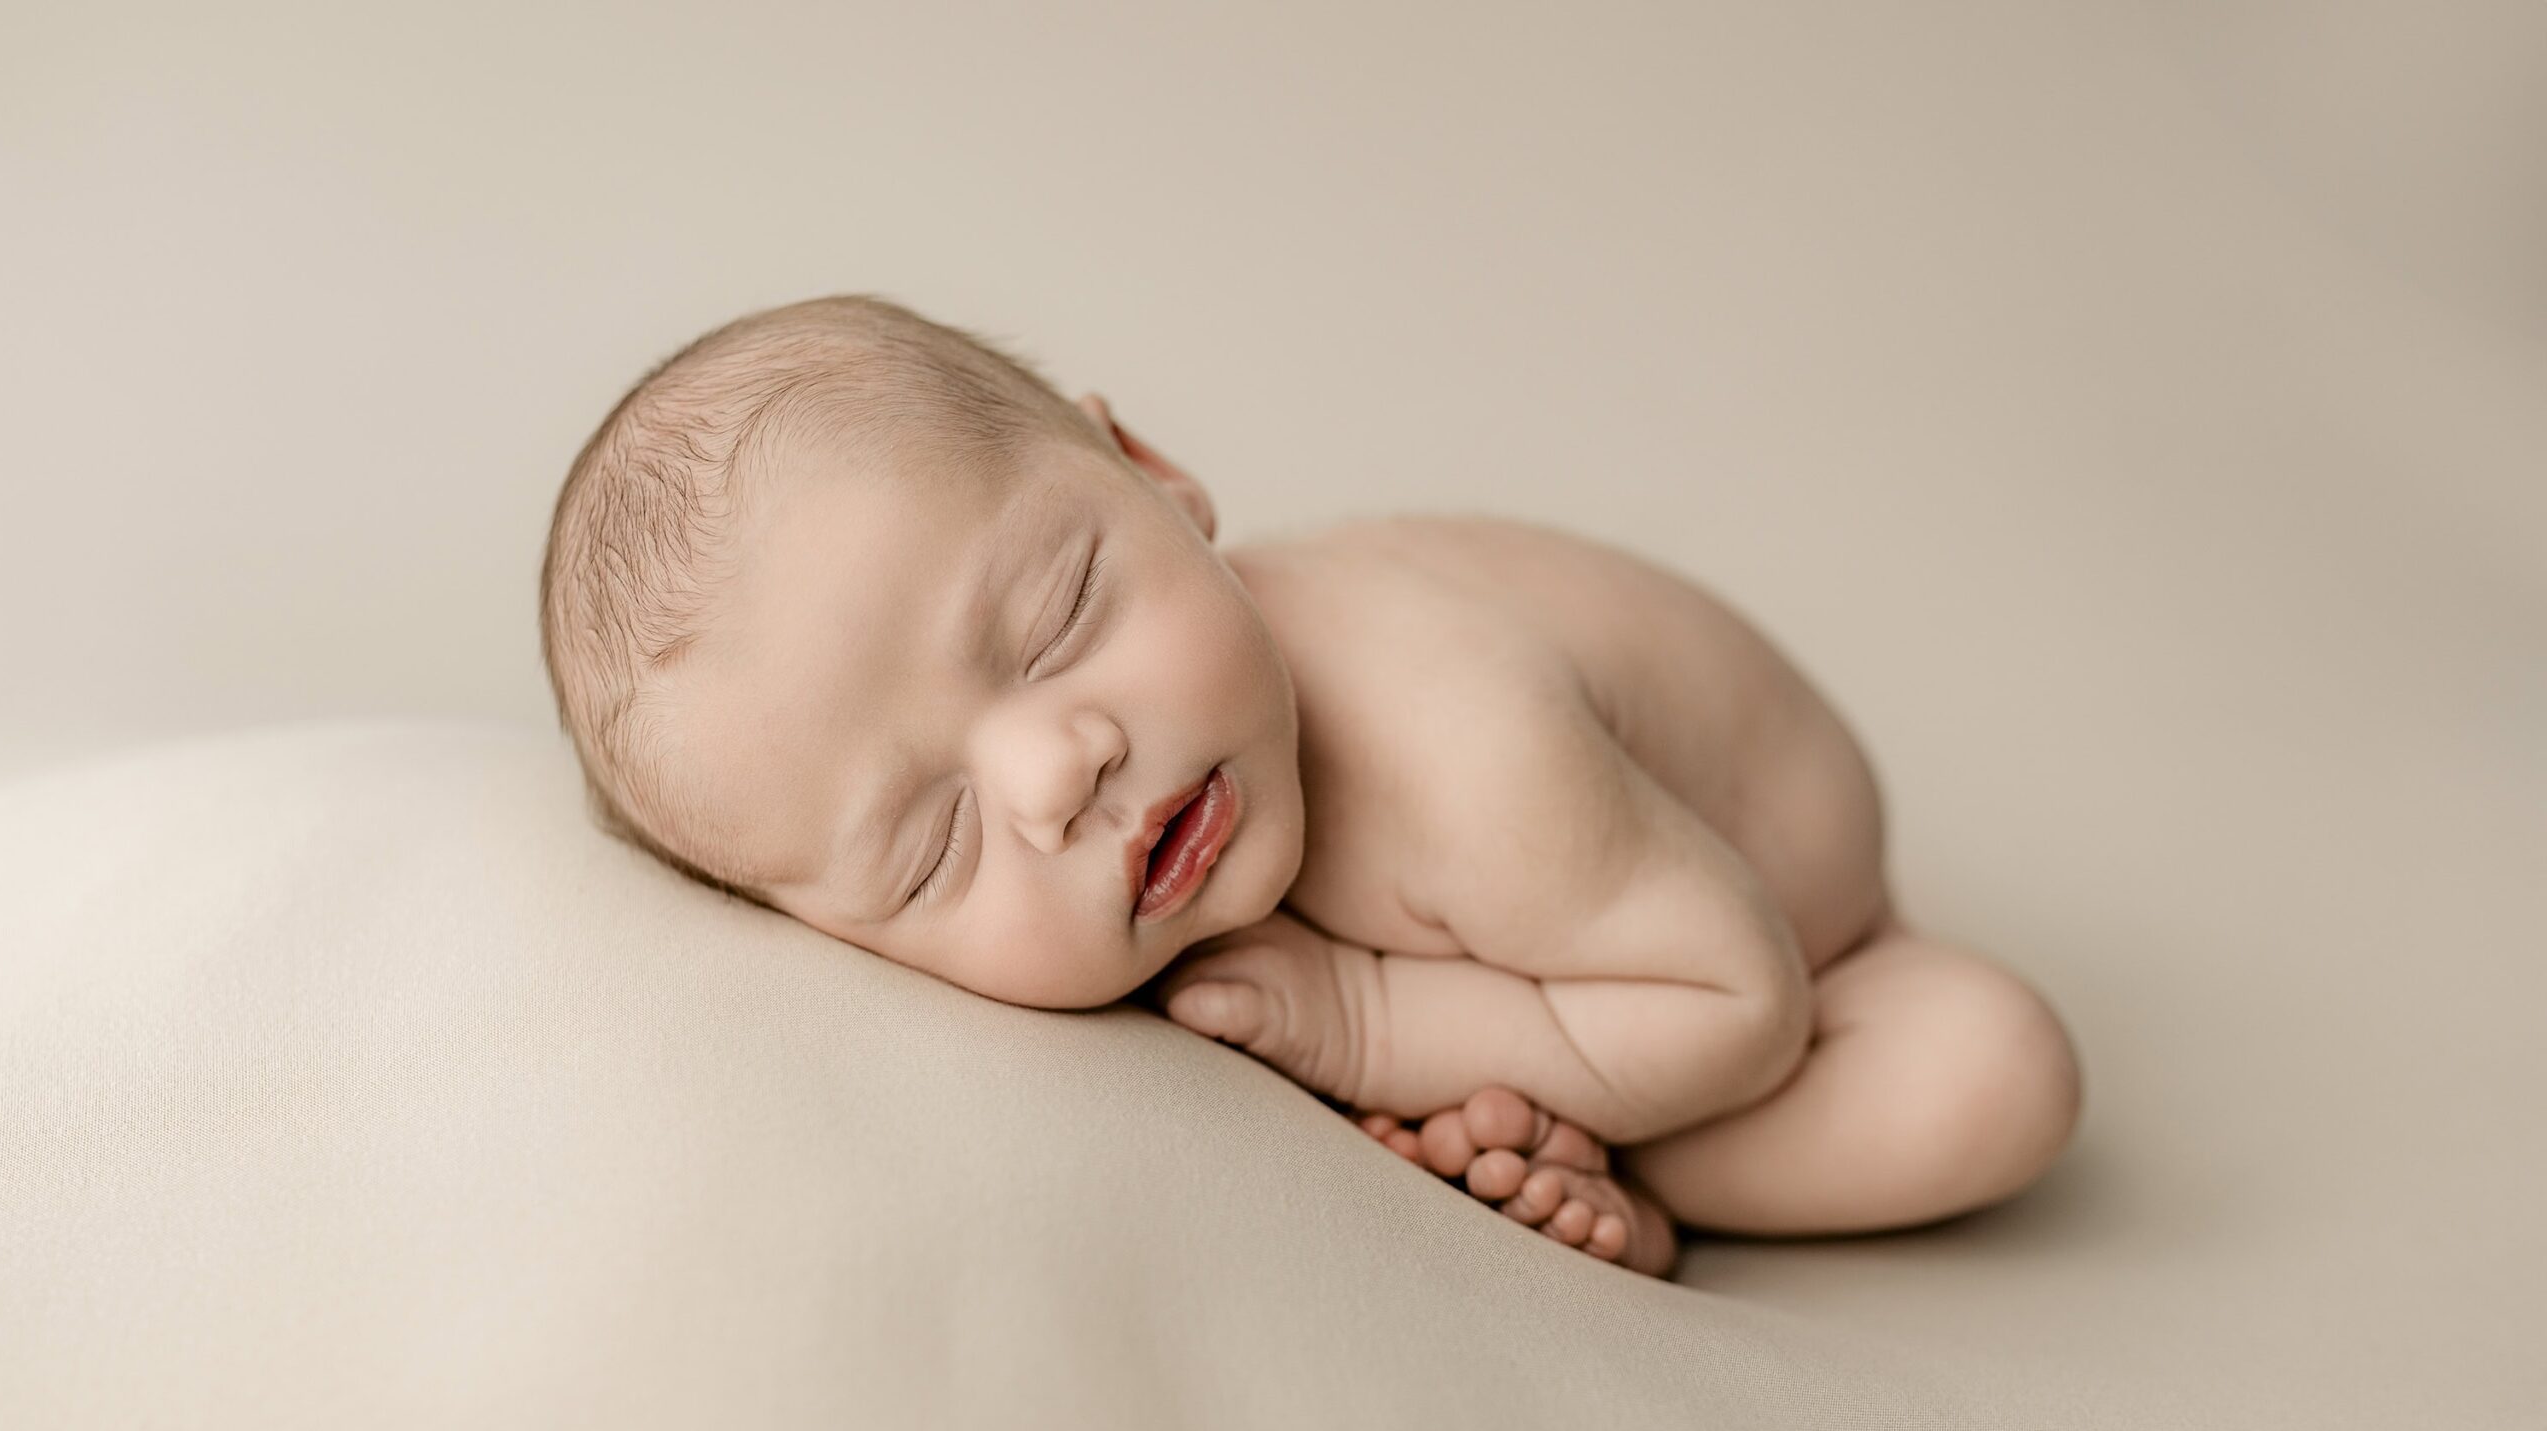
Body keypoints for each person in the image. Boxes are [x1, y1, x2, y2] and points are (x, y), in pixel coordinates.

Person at [538, 293, 2084, 1276]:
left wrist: (1364, 1023)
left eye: (1060, 617)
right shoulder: (1128, 863)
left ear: (1154, 476)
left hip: (1768, 936)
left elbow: (1742, 999)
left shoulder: (1450, 748)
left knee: (1993, 1075)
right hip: (1590, 970)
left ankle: (1631, 1158)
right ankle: (1574, 1133)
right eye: (935, 847)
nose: (1056, 775)